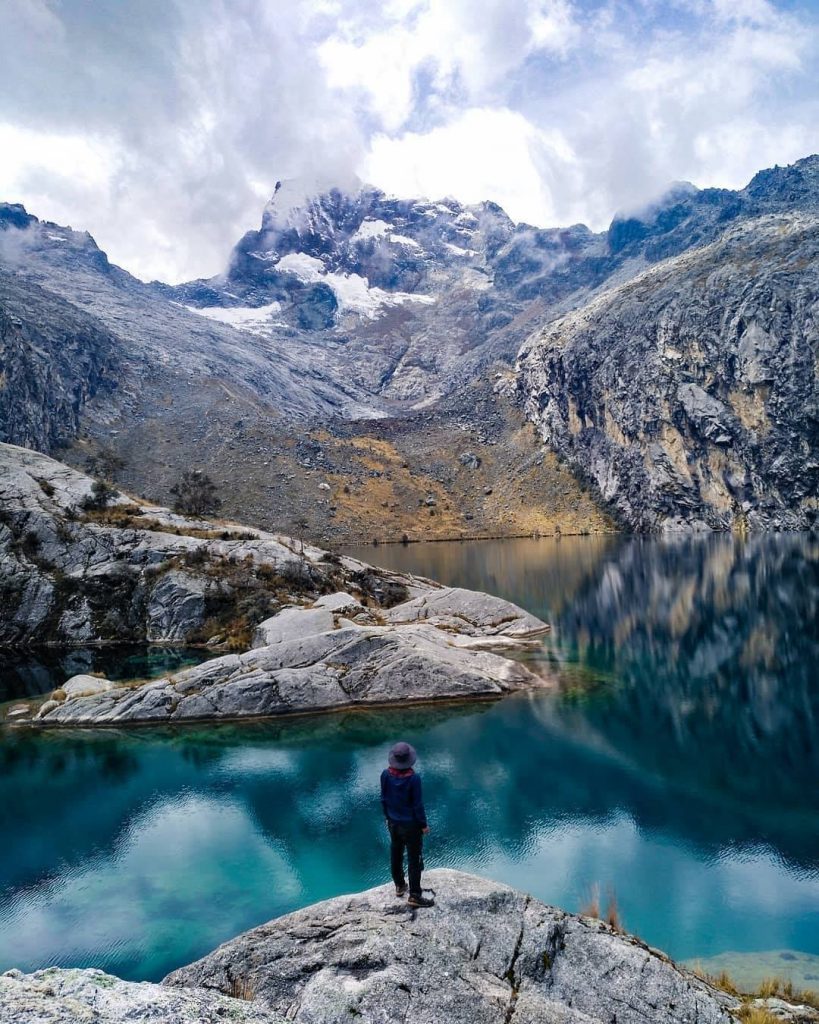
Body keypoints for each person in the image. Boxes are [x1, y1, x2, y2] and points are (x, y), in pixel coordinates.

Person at [380, 741, 434, 908]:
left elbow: (383, 798)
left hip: (393, 823)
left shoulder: (385, 774)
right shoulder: (413, 778)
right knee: (414, 859)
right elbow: (417, 805)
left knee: (395, 853)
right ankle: (415, 895)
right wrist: (424, 825)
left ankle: (399, 885)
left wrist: (387, 816)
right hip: (411, 826)